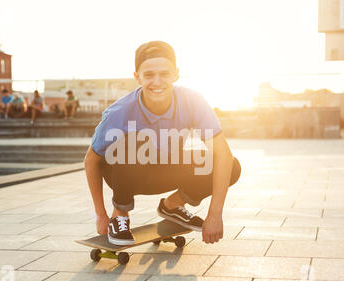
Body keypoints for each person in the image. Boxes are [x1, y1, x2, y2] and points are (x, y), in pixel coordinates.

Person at [84, 41, 241, 246]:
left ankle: (172, 206)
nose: (157, 82)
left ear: (176, 74)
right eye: (149, 75)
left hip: (166, 168)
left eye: (164, 74)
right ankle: (120, 215)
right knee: (133, 141)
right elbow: (91, 161)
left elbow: (222, 154)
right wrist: (100, 214)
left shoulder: (193, 101)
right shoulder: (119, 112)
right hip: (126, 174)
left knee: (231, 165)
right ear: (137, 77)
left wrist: (215, 214)